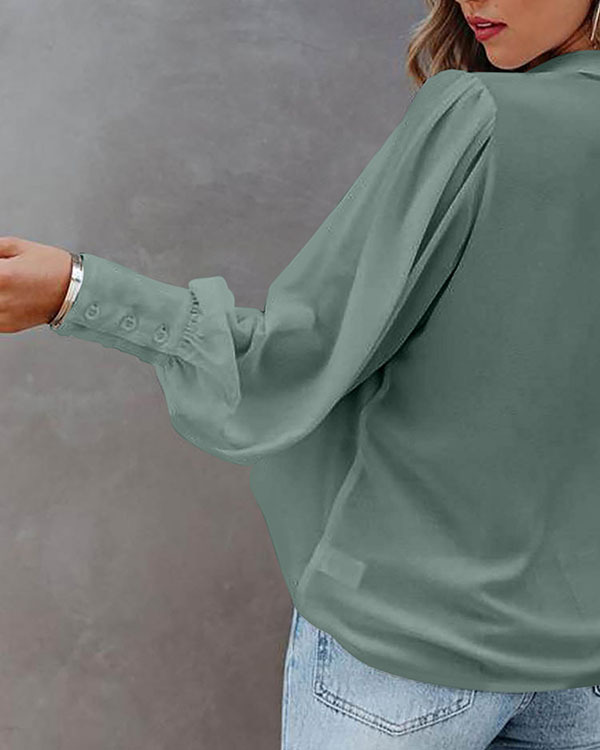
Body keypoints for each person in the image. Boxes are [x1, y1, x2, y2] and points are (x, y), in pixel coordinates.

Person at [2, 0, 600, 746]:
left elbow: (286, 365)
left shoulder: (483, 115)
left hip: (409, 653)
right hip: (580, 660)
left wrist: (74, 291)